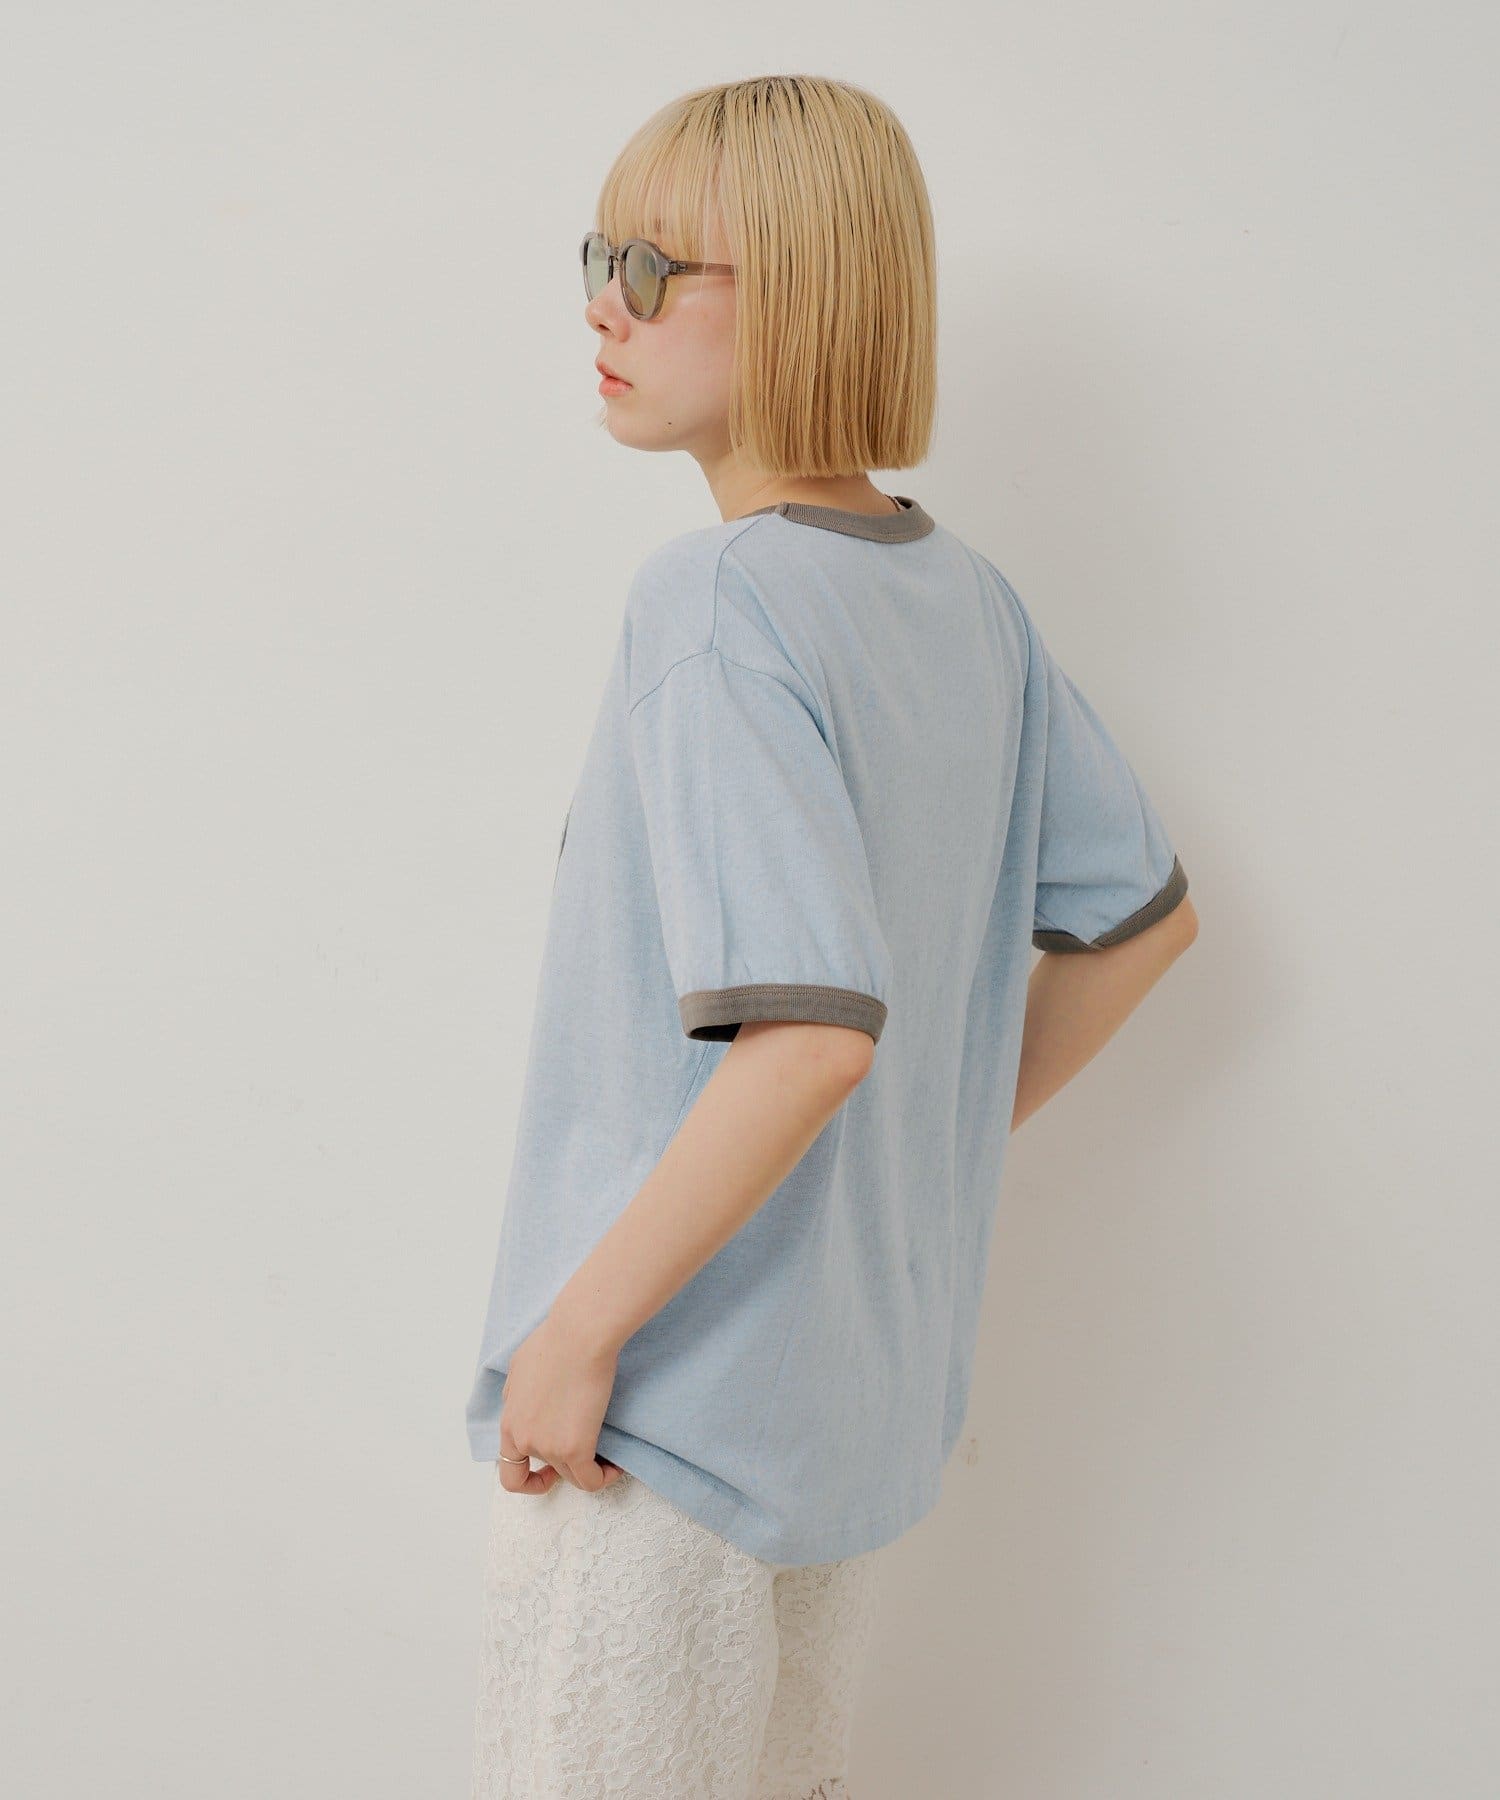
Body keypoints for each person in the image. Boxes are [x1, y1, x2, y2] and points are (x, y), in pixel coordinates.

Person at [465, 72, 1198, 1799]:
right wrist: (917, 1144)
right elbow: (1140, 927)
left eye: (655, 270)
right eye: (598, 258)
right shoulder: (966, 602)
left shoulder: (715, 602)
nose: (603, 307)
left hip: (659, 1416)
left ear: (799, 297)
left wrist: (573, 1335)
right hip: (851, 1422)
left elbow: (810, 1039)